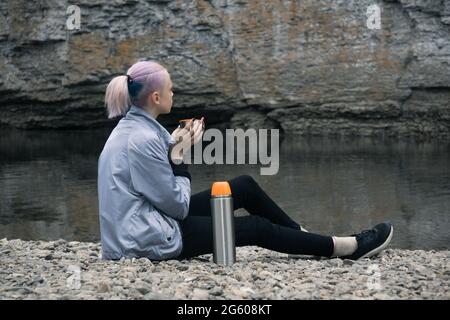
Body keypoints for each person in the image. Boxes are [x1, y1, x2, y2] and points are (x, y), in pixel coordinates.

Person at [98, 60, 393, 262]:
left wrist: (173, 143)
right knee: (254, 228)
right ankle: (345, 248)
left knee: (243, 186)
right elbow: (177, 205)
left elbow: (161, 193)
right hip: (145, 240)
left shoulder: (139, 128)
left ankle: (302, 240)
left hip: (146, 222)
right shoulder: (143, 139)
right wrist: (179, 156)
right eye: (171, 89)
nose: (174, 93)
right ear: (156, 96)